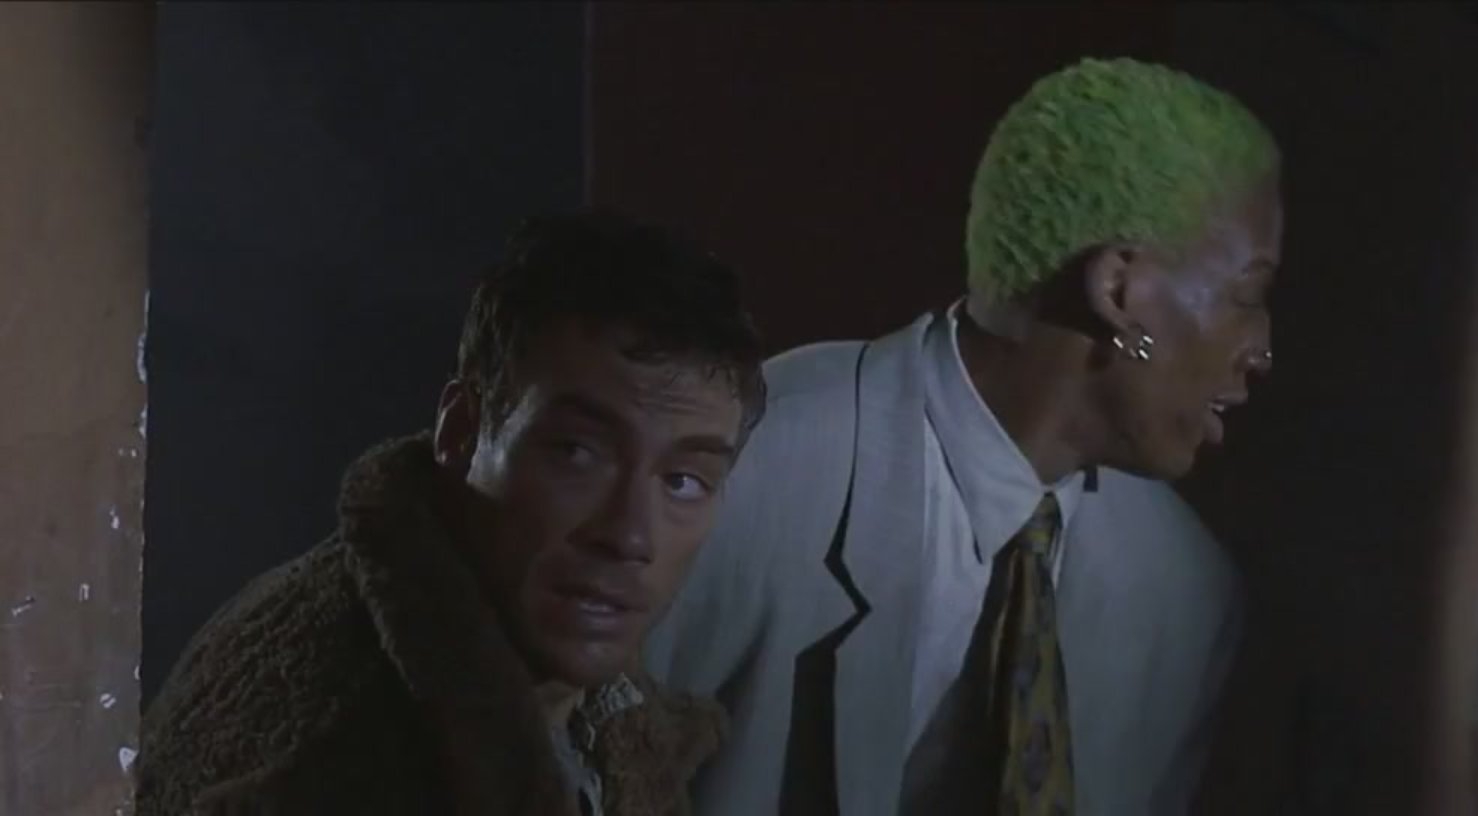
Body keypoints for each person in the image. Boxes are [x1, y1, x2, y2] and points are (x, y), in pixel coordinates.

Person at [643, 57, 1281, 814]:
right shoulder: (756, 464)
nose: (1263, 351)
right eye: (1248, 295)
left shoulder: (1183, 594)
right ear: (1118, 289)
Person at [137, 213, 767, 816]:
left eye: (683, 481)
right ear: (462, 431)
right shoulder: (333, 753)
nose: (629, 534)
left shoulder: (604, 714)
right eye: (578, 453)